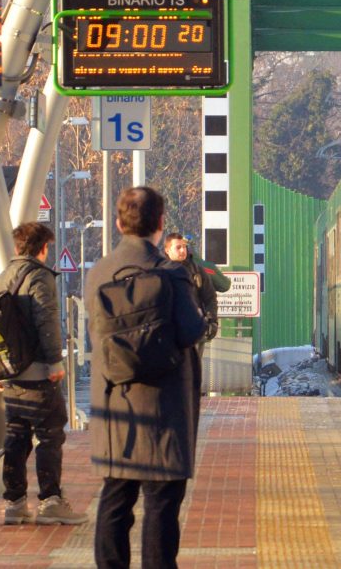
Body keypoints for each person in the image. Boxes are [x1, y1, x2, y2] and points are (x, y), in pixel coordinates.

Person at [86, 187, 205, 569]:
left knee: (116, 497)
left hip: (115, 404)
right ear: (160, 224)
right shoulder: (171, 274)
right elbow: (190, 331)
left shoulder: (99, 273)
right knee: (162, 504)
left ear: (119, 224)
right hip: (164, 406)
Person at [0, 222, 88, 526]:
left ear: (18, 246)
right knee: (49, 435)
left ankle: (15, 503)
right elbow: (47, 321)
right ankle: (50, 501)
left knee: (16, 436)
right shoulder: (39, 277)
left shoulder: (0, 278)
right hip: (36, 372)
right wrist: (55, 363)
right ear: (43, 247)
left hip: (11, 374)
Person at [163, 232, 231, 342]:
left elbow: (210, 298)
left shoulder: (197, 270)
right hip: (169, 334)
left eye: (184, 247)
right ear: (167, 250)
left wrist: (211, 321)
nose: (182, 250)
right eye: (178, 247)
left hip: (194, 331)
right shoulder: (160, 272)